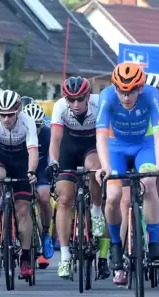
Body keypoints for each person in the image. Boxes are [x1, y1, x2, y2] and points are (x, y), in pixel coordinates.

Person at [96, 62, 159, 286]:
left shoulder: (151, 95)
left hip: (143, 146)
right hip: (116, 147)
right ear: (115, 88)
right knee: (114, 195)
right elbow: (100, 135)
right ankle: (116, 246)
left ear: (140, 88)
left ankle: (154, 242)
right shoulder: (107, 96)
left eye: (131, 92)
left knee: (149, 180)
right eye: (121, 91)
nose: (125, 97)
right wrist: (105, 166)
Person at [116, 73, 159, 285]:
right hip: (127, 151)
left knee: (155, 178)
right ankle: (124, 257)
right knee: (125, 202)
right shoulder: (126, 106)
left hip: (151, 152)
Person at [46, 76, 108, 279]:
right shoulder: (60, 107)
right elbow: (55, 139)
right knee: (64, 199)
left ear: (88, 96)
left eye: (80, 99)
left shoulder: (99, 103)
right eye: (71, 99)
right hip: (69, 147)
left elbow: (107, 135)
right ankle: (64, 258)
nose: (76, 104)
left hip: (93, 143)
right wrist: (54, 162)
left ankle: (96, 211)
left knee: (93, 168)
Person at [0, 89, 39, 278]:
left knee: (23, 211)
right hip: (1, 158)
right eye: (2, 114)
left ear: (18, 109)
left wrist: (31, 171)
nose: (6, 119)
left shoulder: (27, 121)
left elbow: (33, 151)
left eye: (10, 114)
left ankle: (27, 255)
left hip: (22, 161)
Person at [23, 102, 54, 268]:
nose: (34, 129)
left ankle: (46, 233)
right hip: (24, 167)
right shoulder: (20, 132)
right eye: (31, 126)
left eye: (38, 126)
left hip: (41, 168)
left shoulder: (47, 134)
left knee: (43, 196)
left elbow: (53, 156)